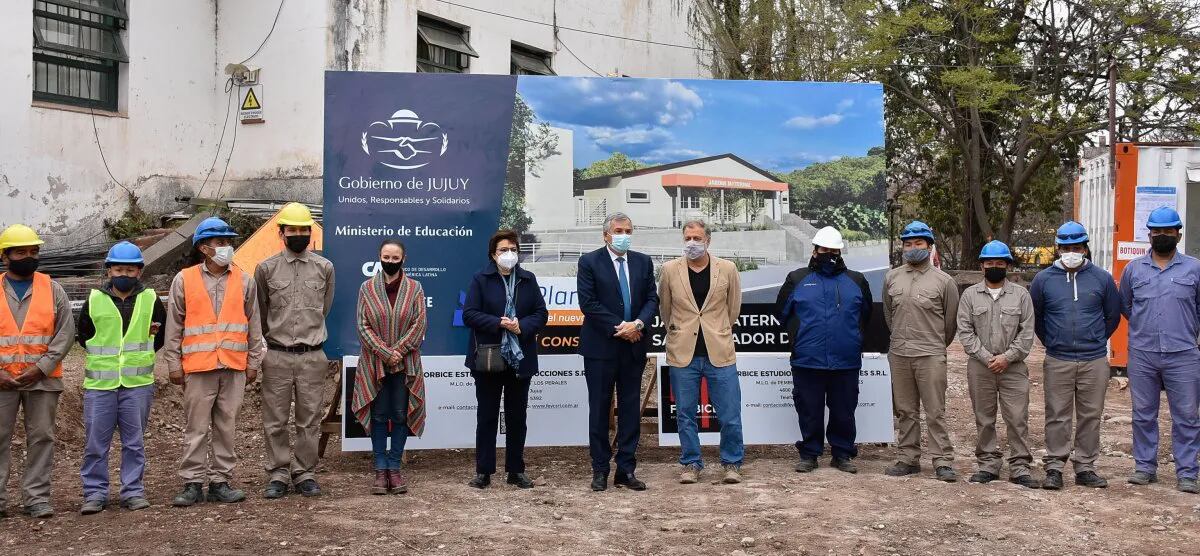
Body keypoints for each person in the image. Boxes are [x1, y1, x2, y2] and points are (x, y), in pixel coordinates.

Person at [163, 217, 264, 507]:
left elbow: (253, 323)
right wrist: (173, 364)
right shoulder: (184, 280)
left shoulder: (244, 280)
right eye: (220, 242)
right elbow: (175, 326)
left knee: (226, 426)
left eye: (227, 242)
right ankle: (193, 482)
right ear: (203, 248)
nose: (226, 247)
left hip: (233, 366)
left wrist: (254, 361)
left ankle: (221, 481)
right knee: (196, 427)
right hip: (198, 367)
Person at [75, 242, 166, 514]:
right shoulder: (94, 299)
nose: (123, 273)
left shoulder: (151, 300)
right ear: (109, 271)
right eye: (118, 269)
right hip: (100, 386)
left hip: (137, 386)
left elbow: (158, 337)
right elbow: (84, 337)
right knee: (95, 444)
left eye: (129, 269)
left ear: (139, 272)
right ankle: (94, 493)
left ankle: (133, 491)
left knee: (134, 442)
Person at [1029, 221, 1121, 490]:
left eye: (1077, 247)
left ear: (1085, 248)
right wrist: (1053, 341)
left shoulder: (1101, 278)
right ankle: (1055, 467)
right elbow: (1037, 318)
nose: (1072, 252)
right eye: (1066, 247)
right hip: (1058, 358)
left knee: (1091, 414)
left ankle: (1085, 467)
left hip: (1094, 359)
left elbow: (1112, 316)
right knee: (1057, 414)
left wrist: (1095, 339)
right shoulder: (1043, 280)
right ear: (1058, 249)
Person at [254, 203, 335, 499]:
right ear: (281, 233)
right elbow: (260, 311)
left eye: (304, 230)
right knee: (274, 419)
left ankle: (304, 472)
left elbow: (325, 308)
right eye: (293, 230)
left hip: (313, 355)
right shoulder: (266, 269)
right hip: (277, 355)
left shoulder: (325, 268)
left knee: (309, 419)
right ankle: (277, 472)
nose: (299, 234)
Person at [776, 226, 872, 475]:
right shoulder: (797, 279)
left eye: (833, 250)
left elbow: (866, 315)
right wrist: (799, 337)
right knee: (809, 410)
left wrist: (852, 338)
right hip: (807, 359)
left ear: (840, 251)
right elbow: (781, 314)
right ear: (814, 250)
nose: (828, 253)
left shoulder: (856, 280)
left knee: (844, 410)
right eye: (824, 249)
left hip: (846, 360)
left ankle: (842, 454)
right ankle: (809, 453)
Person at [1119, 206, 1200, 494]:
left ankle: (1188, 473)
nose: (1162, 235)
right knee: (1143, 413)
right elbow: (1126, 306)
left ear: (1178, 234)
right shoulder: (1134, 270)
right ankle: (1145, 468)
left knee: (1187, 416)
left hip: (1184, 354)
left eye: (1168, 231)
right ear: (1149, 234)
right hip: (1143, 353)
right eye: (1157, 231)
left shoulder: (1194, 268)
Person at [577, 213, 659, 492]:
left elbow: (651, 299)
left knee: (629, 411)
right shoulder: (589, 262)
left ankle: (626, 469)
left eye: (628, 229)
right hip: (601, 348)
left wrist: (637, 324)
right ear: (606, 235)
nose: (624, 234)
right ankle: (600, 469)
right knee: (599, 410)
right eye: (618, 230)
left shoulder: (643, 262)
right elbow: (588, 303)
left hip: (633, 346)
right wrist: (619, 327)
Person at [658, 220, 744, 485]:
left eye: (697, 238)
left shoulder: (727, 268)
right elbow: (665, 309)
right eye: (687, 238)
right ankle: (691, 463)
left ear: (708, 240)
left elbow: (733, 309)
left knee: (729, 414)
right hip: (683, 353)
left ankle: (731, 463)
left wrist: (718, 331)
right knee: (684, 414)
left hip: (719, 351)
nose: (691, 243)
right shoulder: (669, 269)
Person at [462, 230, 548, 489]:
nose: (509, 254)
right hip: (488, 357)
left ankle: (516, 470)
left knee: (517, 417)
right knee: (487, 415)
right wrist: (499, 322)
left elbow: (541, 314)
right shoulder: (481, 279)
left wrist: (521, 326)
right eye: (503, 250)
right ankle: (484, 471)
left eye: (513, 249)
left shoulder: (527, 279)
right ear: (493, 254)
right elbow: (470, 315)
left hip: (520, 358)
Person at [0, 224, 74, 519]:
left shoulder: (52, 288)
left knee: (42, 437)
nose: (28, 257)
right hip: (1, 381)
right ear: (5, 256)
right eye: (21, 252)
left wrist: (41, 368)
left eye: (33, 251)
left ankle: (37, 498)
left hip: (42, 380)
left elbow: (65, 333)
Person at [956, 240, 1039, 489]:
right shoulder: (970, 296)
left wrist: (1007, 357)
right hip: (981, 367)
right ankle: (988, 464)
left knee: (1017, 417)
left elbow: (1027, 333)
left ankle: (1020, 466)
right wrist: (986, 358)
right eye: (990, 263)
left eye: (999, 263)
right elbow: (965, 331)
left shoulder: (1021, 295)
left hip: (1013, 367)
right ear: (981, 266)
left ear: (1007, 266)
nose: (994, 267)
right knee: (984, 417)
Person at [883, 220, 959, 482]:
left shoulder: (944, 281)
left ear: (929, 246)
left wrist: (935, 345)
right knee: (905, 410)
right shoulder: (892, 277)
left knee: (935, 410)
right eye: (908, 244)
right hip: (900, 353)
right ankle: (908, 457)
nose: (913, 248)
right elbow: (888, 316)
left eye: (918, 243)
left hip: (930, 354)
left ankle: (942, 460)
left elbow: (950, 324)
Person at [353, 239, 427, 495]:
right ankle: (380, 468)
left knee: (400, 414)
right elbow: (363, 325)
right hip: (375, 363)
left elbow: (419, 324)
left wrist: (399, 352)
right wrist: (385, 352)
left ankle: (395, 468)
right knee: (379, 415)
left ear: (403, 259)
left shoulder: (415, 288)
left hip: (406, 365)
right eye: (386, 257)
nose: (390, 261)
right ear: (379, 257)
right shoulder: (367, 288)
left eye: (396, 258)